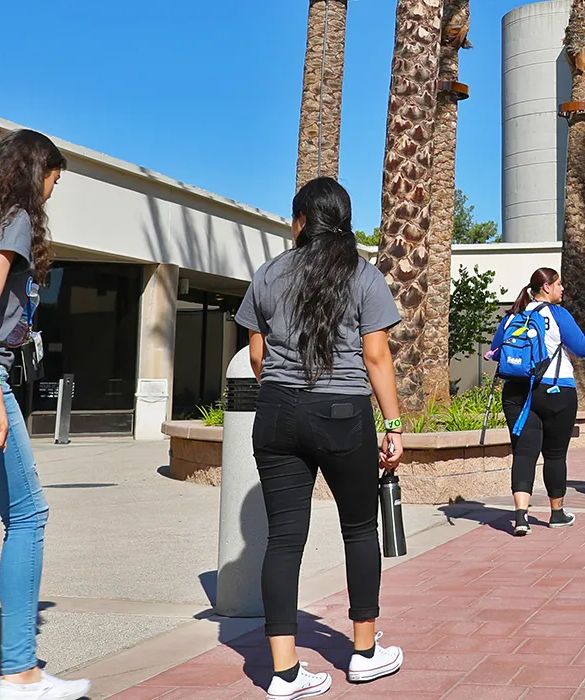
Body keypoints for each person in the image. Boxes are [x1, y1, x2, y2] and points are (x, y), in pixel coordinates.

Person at [238, 177, 405, 698]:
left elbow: (258, 352)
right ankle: (363, 652)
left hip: (276, 412)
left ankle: (284, 673)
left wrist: (283, 392)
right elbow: (376, 356)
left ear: (301, 220)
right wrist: (394, 424)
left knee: (283, 539)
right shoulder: (362, 275)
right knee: (358, 529)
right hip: (341, 412)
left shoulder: (268, 273)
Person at [0, 131, 90, 700]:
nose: (53, 190)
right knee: (27, 516)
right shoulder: (16, 216)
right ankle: (20, 673)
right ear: (36, 170)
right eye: (54, 178)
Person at [490, 267, 585, 534]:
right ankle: (556, 513)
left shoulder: (511, 317)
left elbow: (497, 353)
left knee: (523, 453)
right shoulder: (557, 314)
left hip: (517, 392)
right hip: (556, 390)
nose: (562, 289)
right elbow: (584, 349)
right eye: (559, 285)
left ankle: (521, 517)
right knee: (555, 454)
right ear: (546, 288)